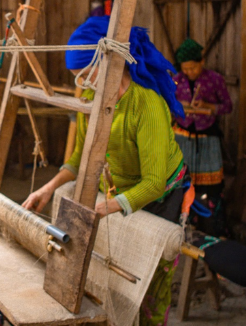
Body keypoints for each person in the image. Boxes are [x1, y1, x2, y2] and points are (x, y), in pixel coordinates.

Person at [23, 16, 188, 326]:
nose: (81, 83)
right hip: (119, 189)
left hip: (164, 196)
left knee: (150, 283)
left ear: (110, 62)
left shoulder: (146, 104)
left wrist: (102, 209)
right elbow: (79, 157)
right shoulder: (91, 99)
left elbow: (153, 183)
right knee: (115, 278)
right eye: (77, 76)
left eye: (85, 73)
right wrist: (48, 188)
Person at [172, 38, 233, 235]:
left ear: (202, 63)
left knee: (211, 186)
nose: (189, 72)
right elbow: (168, 104)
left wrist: (208, 106)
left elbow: (228, 106)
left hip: (208, 140)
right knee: (182, 182)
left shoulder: (214, 79)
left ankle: (212, 230)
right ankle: (184, 226)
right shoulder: (176, 80)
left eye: (193, 68)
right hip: (181, 137)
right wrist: (180, 106)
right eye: (186, 68)